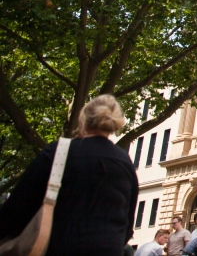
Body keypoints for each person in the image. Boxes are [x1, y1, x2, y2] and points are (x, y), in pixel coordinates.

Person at [0, 94, 138, 256]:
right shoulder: (125, 162)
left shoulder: (59, 151)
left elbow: (17, 208)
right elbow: (128, 223)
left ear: (83, 120)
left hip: (58, 247)